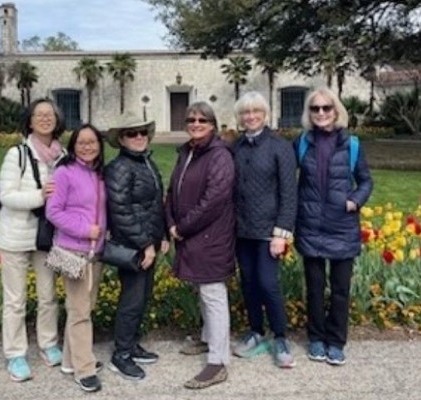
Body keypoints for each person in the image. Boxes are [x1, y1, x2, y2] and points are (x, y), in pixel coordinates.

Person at [294, 87, 373, 366]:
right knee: (315, 287)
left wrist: (355, 200)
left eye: (326, 108)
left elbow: (365, 181)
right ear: (309, 113)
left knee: (340, 290)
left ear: (336, 111)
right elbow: (285, 176)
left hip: (342, 226)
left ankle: (336, 341)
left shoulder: (351, 144)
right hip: (311, 225)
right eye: (315, 108)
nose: (321, 113)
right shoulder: (302, 142)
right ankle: (316, 338)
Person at [165, 101, 235, 389]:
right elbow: (172, 191)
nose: (195, 123)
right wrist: (170, 220)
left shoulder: (219, 156)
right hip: (191, 234)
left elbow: (214, 200)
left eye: (202, 120)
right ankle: (208, 339)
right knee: (202, 289)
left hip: (211, 235)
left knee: (213, 293)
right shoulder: (188, 152)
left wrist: (182, 227)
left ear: (213, 125)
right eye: (191, 119)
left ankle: (218, 363)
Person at [0, 98, 65, 382]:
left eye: (50, 114)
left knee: (48, 295)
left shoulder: (63, 154)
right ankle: (15, 353)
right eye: (39, 114)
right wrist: (40, 197)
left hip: (47, 236)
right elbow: (6, 195)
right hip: (16, 235)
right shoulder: (18, 154)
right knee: (15, 299)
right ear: (30, 121)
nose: (45, 119)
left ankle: (48, 344)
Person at [232, 91, 298, 368]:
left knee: (268, 284)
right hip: (242, 229)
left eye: (256, 111)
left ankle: (280, 336)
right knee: (248, 283)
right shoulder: (235, 147)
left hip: (269, 231)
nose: (251, 117)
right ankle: (256, 331)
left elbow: (289, 192)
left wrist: (281, 232)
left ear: (264, 114)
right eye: (246, 112)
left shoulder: (279, 147)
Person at [104, 114, 169, 381]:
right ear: (121, 139)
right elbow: (120, 211)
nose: (139, 137)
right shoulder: (119, 168)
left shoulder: (145, 162)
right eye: (132, 134)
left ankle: (131, 344)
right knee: (131, 300)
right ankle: (121, 355)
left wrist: (162, 236)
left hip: (148, 243)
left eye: (143, 132)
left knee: (142, 297)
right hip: (132, 247)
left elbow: (155, 205)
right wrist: (145, 245)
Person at [46, 123, 106, 392]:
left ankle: (72, 360)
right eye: (82, 142)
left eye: (92, 142)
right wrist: (85, 230)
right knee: (80, 310)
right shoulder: (64, 173)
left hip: (97, 252)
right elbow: (54, 212)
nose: (87, 146)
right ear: (73, 146)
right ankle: (84, 369)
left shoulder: (98, 174)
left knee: (84, 308)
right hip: (73, 250)